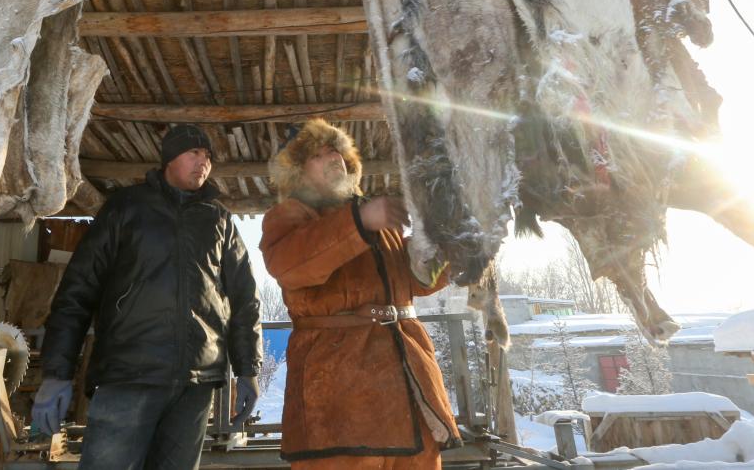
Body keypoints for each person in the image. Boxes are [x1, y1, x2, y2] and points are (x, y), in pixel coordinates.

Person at [33, 123, 263, 470]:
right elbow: (77, 290)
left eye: (208, 156)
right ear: (170, 158)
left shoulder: (220, 221)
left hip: (195, 383)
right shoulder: (125, 208)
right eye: (194, 152)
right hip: (128, 374)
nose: (204, 162)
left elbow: (245, 298)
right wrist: (56, 373)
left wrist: (248, 370)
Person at [261, 119, 461, 469]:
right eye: (318, 154)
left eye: (335, 151)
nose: (332, 157)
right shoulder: (289, 216)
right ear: (299, 172)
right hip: (339, 392)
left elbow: (416, 281)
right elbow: (290, 265)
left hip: (409, 379)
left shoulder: (377, 219)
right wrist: (358, 221)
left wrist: (452, 250)